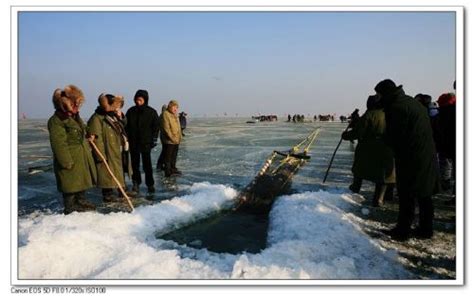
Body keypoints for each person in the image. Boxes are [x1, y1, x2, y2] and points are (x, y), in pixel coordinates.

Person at [375, 79, 440, 240]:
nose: (377, 97)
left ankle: (402, 230)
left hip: (411, 156)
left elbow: (396, 136)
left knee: (407, 194)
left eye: (378, 94)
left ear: (385, 93)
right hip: (424, 153)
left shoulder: (397, 108)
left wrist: (383, 139)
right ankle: (426, 229)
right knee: (424, 194)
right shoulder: (410, 102)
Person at [47, 85, 97, 214]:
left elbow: (82, 128)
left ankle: (80, 200)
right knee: (70, 183)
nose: (78, 107)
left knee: (80, 180)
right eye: (75, 104)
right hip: (70, 155)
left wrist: (89, 134)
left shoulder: (73, 117)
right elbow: (59, 143)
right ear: (66, 104)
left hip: (80, 154)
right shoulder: (57, 120)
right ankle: (70, 206)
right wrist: (66, 161)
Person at [342, 95, 396, 207]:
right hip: (386, 148)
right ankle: (379, 198)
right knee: (383, 175)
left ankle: (355, 188)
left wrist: (345, 135)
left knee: (359, 169)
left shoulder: (369, 115)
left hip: (367, 148)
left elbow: (358, 132)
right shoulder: (390, 114)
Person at [88, 94, 133, 202]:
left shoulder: (112, 115)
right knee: (107, 173)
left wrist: (120, 116)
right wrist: (101, 156)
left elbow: (123, 124)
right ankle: (107, 194)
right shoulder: (97, 118)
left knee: (119, 169)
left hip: (117, 148)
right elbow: (97, 139)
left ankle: (122, 190)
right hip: (108, 150)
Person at [125, 89, 160, 194]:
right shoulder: (131, 111)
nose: (138, 102)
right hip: (134, 142)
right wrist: (126, 138)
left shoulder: (151, 112)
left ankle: (150, 184)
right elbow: (126, 126)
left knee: (147, 165)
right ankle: (136, 183)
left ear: (145, 99)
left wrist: (154, 139)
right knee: (135, 165)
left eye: (140, 100)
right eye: (136, 100)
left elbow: (156, 127)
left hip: (146, 142)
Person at [433, 92, 456, 195]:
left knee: (446, 166)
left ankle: (446, 185)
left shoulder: (443, 113)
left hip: (446, 146)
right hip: (450, 146)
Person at [161, 100, 182, 177]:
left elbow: (178, 127)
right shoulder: (166, 114)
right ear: (170, 106)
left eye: (176, 107)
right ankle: (168, 171)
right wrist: (172, 138)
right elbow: (166, 128)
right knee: (168, 157)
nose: (175, 109)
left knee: (174, 156)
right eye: (174, 107)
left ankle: (173, 169)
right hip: (169, 140)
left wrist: (180, 137)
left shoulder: (175, 115)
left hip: (176, 139)